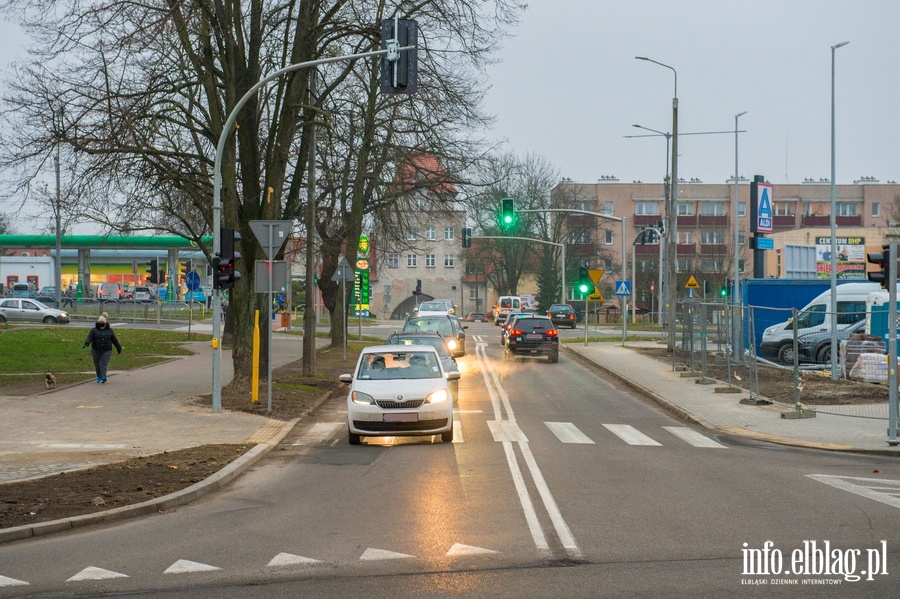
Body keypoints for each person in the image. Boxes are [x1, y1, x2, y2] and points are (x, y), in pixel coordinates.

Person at [83, 313, 123, 383]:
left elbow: (114, 339)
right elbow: (89, 337)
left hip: (107, 349)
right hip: (96, 349)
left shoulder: (109, 330)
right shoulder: (94, 330)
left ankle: (103, 376)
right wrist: (87, 343)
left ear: (105, 323)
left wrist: (118, 347)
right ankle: (99, 377)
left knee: (103, 363)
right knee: (97, 364)